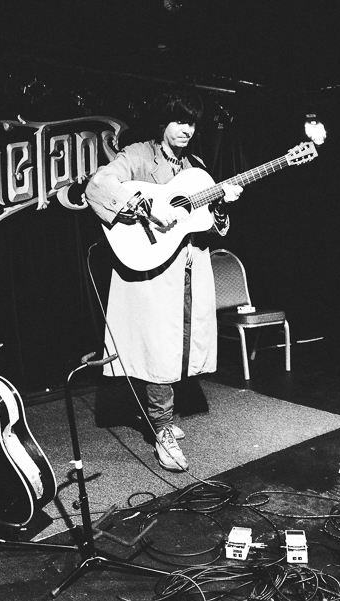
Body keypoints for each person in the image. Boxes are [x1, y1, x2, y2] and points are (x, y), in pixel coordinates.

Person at [85, 90, 242, 472]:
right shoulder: (139, 155)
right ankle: (162, 428)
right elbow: (99, 184)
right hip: (153, 268)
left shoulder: (197, 166)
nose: (186, 130)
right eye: (179, 121)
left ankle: (164, 417)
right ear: (164, 123)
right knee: (158, 348)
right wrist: (147, 207)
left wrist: (220, 203)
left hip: (187, 268)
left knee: (181, 345)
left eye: (191, 123)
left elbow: (204, 222)